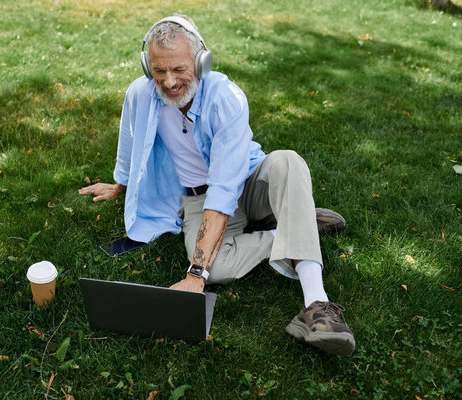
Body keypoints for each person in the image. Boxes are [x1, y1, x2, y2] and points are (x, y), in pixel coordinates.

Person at [78, 15, 355, 355]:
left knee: (288, 161)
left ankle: (317, 305)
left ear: (201, 61)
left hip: (249, 181)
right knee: (218, 268)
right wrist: (120, 183)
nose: (168, 81)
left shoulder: (226, 98)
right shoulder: (141, 93)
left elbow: (224, 191)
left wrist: (195, 275)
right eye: (159, 70)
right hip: (197, 197)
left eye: (179, 69)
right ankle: (295, 225)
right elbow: (130, 139)